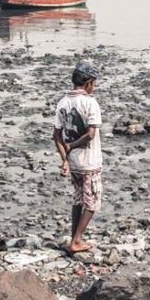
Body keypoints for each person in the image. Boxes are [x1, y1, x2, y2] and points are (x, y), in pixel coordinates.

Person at [52, 62, 103, 253]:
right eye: (94, 83)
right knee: (92, 203)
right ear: (88, 83)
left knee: (78, 199)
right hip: (90, 161)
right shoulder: (91, 103)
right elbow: (90, 134)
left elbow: (56, 135)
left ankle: (74, 238)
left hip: (73, 163)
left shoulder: (63, 102)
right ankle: (77, 240)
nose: (94, 87)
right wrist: (72, 145)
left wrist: (65, 158)